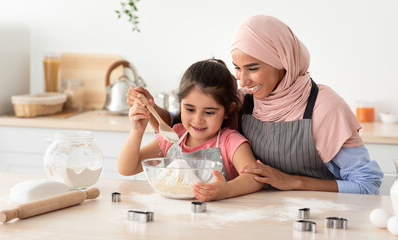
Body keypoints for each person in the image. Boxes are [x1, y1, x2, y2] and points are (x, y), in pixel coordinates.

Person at [127, 15, 383, 195]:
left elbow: (366, 184)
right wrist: (149, 107)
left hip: (322, 216)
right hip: (261, 213)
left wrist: (293, 182)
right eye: (237, 68)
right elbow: (188, 126)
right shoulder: (244, 101)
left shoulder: (325, 107)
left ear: (283, 60)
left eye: (253, 68)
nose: (243, 80)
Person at [118, 59, 264, 201]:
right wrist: (137, 129)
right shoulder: (173, 136)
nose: (197, 119)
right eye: (189, 109)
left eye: (209, 112)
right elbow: (128, 168)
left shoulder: (231, 142)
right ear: (180, 104)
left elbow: (254, 178)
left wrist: (226, 190)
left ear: (228, 110)